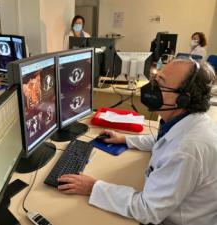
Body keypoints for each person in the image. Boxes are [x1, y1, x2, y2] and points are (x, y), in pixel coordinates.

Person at [58, 59, 217, 225]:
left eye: (160, 83)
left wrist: (93, 187)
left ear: (183, 99)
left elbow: (147, 209)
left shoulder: (187, 149)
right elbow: (163, 140)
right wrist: (125, 139)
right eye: (155, 79)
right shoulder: (192, 121)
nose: (151, 87)